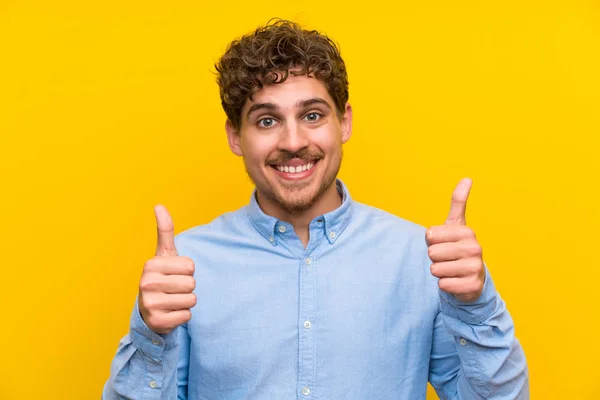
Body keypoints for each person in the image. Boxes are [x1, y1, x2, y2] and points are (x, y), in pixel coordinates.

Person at [103, 19, 529, 400]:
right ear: (235, 136)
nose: (292, 141)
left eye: (311, 115)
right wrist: (149, 333)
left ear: (343, 123)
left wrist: (477, 307)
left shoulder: (422, 259)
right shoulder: (185, 268)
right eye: (267, 120)